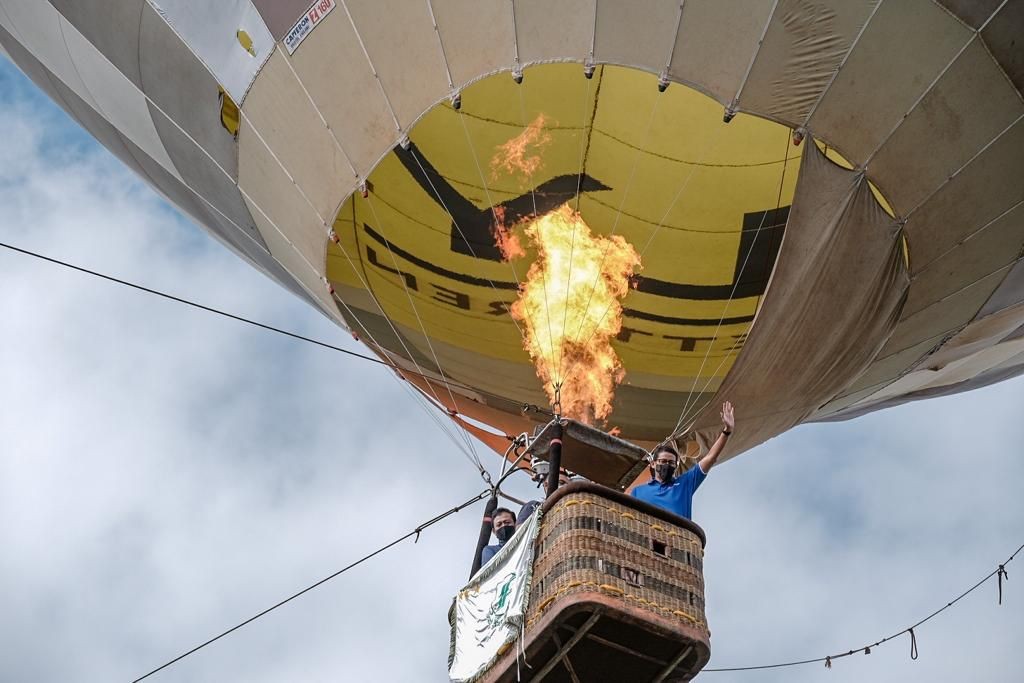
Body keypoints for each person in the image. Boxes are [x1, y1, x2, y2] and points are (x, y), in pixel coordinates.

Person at [631, 401, 735, 519]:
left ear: (676, 466)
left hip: (677, 536)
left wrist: (727, 431)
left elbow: (710, 458)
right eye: (663, 461)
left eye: (671, 463)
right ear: (653, 464)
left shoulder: (684, 484)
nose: (667, 465)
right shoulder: (637, 492)